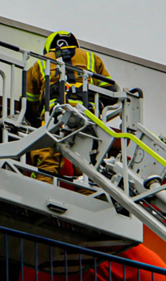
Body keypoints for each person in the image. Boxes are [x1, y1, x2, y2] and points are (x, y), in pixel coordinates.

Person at [24, 31, 116, 179]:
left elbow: (29, 100)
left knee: (47, 163)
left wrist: (36, 122)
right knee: (87, 171)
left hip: (53, 119)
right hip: (87, 121)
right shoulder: (92, 58)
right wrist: (97, 113)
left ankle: (45, 188)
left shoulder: (41, 61)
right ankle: (88, 195)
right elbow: (111, 92)